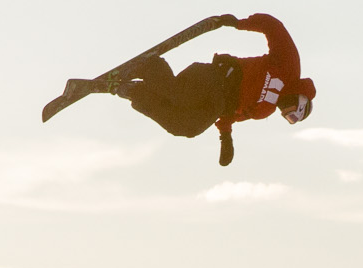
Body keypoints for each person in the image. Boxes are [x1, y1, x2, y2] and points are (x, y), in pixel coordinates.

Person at [114, 12, 316, 167]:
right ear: (300, 101)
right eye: (291, 115)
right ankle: (149, 66)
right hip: (218, 78)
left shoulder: (265, 110)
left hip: (218, 105)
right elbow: (273, 27)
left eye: (288, 119)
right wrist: (238, 23)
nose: (285, 114)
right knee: (182, 96)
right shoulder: (288, 66)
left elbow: (231, 118)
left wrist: (226, 139)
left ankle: (136, 93)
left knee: (186, 127)